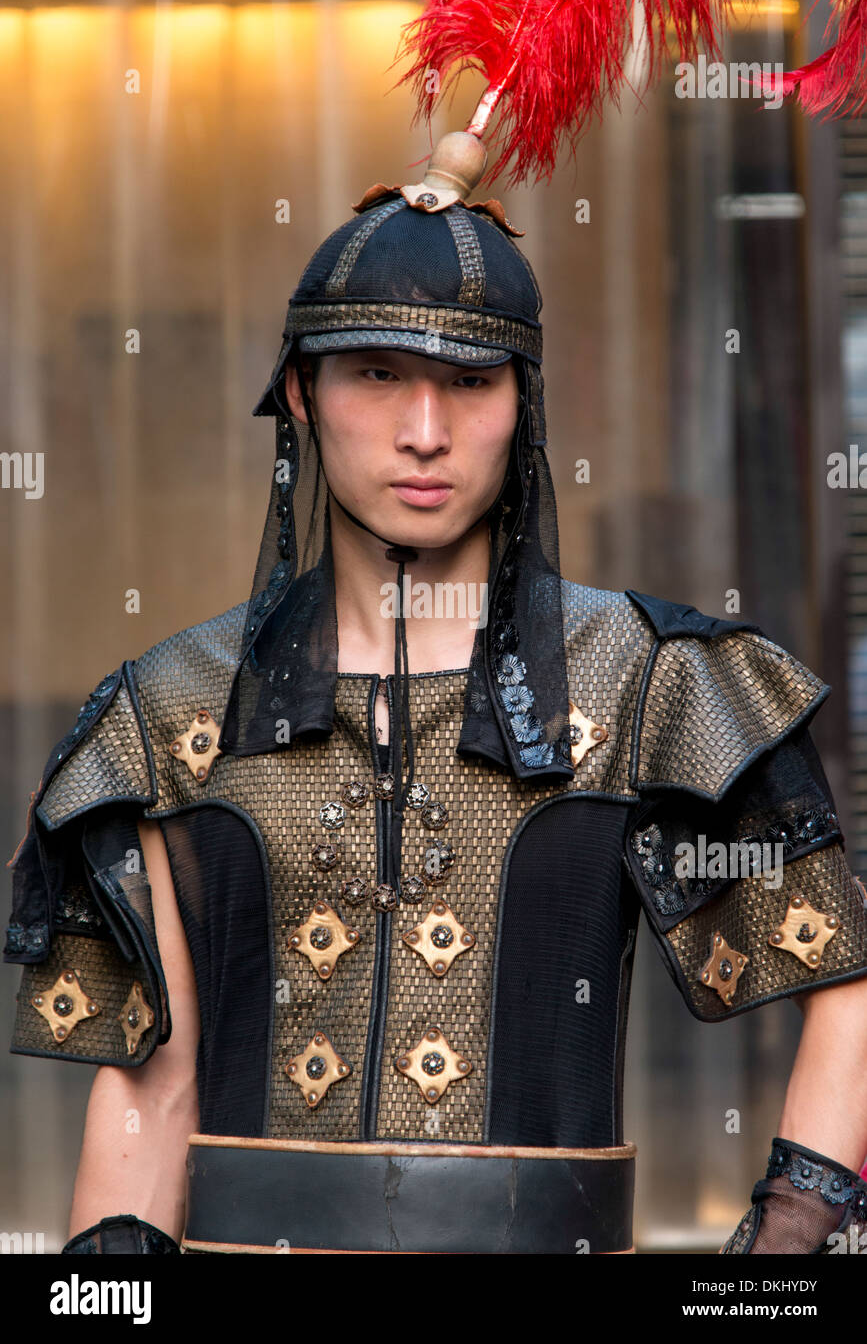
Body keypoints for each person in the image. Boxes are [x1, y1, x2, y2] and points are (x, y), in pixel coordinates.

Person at [6, 135, 867, 1256]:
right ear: (302, 395)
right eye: (377, 375)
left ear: (524, 403)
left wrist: (779, 1259)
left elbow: (847, 991)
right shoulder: (173, 715)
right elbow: (150, 1096)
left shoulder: (649, 682)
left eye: (469, 382)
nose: (426, 431)